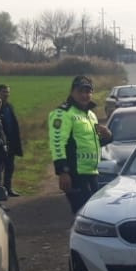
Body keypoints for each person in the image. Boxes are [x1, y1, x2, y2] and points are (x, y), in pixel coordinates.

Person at [49, 75, 111, 212]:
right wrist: (63, 172)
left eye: (88, 91)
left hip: (91, 172)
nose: (85, 95)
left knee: (94, 213)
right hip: (75, 174)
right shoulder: (62, 113)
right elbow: (57, 143)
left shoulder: (90, 114)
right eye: (80, 91)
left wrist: (107, 137)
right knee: (83, 214)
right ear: (72, 92)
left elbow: (90, 142)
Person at [0, 83, 23, 196]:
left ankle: (8, 188)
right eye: (4, 92)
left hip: (11, 142)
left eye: (7, 92)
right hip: (0, 144)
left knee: (10, 167)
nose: (6, 94)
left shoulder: (9, 106)